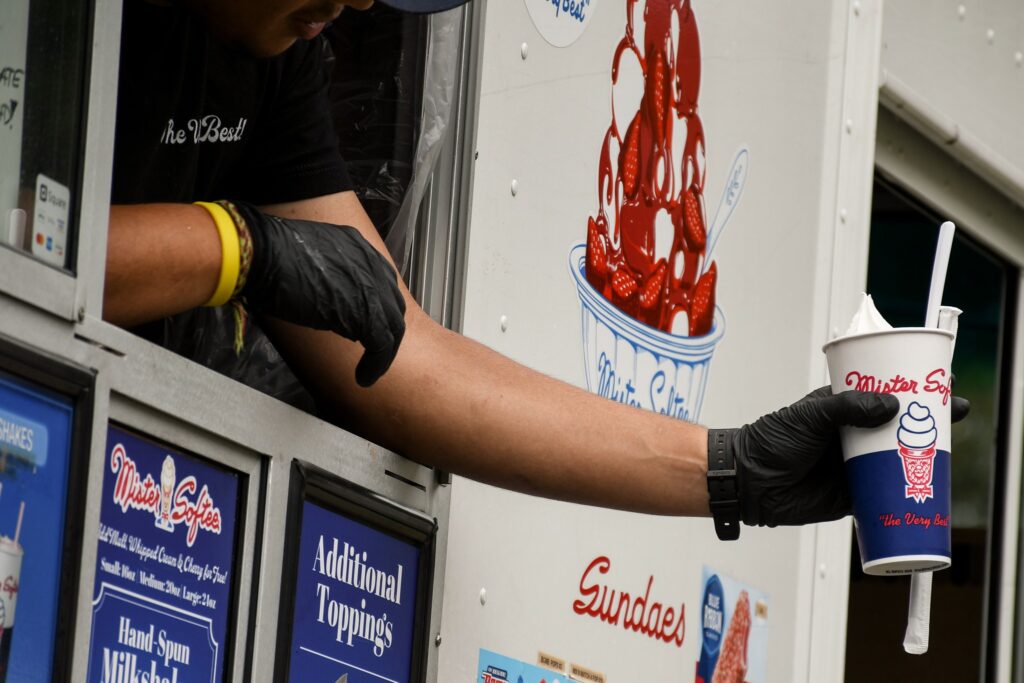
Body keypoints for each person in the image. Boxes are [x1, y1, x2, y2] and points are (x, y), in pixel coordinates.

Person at [104, 0, 966, 538]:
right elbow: (25, 251)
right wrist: (239, 249)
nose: (362, 0)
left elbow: (404, 356)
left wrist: (733, 470)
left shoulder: (278, 57)